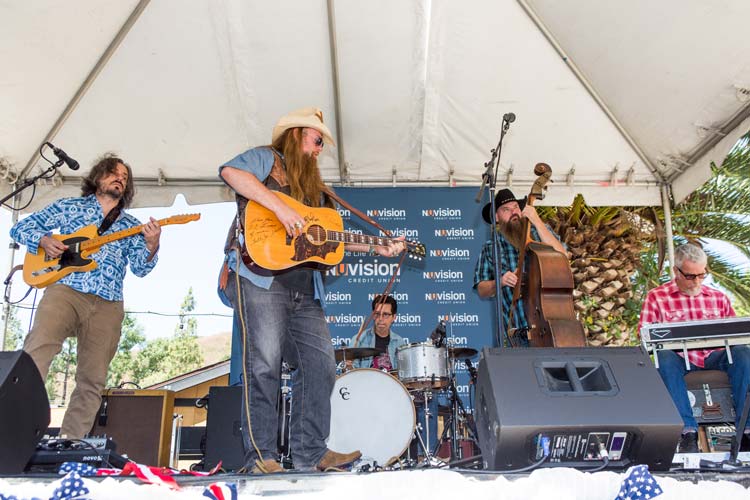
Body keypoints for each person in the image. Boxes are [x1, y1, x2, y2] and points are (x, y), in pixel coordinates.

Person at [218, 107, 405, 473]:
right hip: (261, 280)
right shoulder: (265, 159)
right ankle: (262, 457)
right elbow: (230, 172)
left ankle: (311, 453)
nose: (320, 149)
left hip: (306, 291)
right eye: (317, 140)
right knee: (265, 365)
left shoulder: (316, 190)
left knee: (321, 366)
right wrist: (280, 209)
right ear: (296, 135)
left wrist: (375, 248)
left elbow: (329, 239)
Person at [10, 154, 161, 439]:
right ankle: (13, 430)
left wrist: (152, 244)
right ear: (98, 177)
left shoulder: (131, 224)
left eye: (125, 177)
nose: (120, 178)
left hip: (108, 302)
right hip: (65, 290)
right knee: (36, 354)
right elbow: (20, 227)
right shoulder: (69, 207)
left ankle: (70, 444)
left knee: (92, 380)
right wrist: (44, 240)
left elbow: (141, 268)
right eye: (114, 173)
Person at [639, 243, 749, 453]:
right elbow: (644, 335)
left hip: (714, 357)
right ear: (676, 271)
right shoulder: (657, 297)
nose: (696, 281)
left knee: (743, 354)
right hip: (679, 360)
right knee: (664, 357)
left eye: (701, 275)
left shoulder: (718, 298)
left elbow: (735, 335)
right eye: (690, 276)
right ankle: (687, 432)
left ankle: (746, 430)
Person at [472, 188, 565, 346]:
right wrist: (500, 282)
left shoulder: (539, 233)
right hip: (521, 333)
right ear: (496, 217)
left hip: (555, 324)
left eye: (515, 207)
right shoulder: (491, 247)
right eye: (506, 210)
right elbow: (481, 289)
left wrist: (536, 220)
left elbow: (562, 256)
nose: (513, 212)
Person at [347, 294, 408, 371]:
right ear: (373, 315)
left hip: (390, 382)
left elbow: (403, 372)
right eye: (377, 314)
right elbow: (352, 372)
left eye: (385, 314)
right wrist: (349, 367)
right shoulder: (359, 339)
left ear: (394, 317)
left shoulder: (399, 342)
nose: (380, 319)